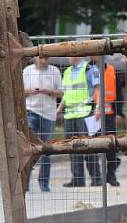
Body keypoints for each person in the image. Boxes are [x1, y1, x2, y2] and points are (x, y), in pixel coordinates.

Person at [57, 55, 101, 187]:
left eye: (70, 53)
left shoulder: (90, 69)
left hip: (86, 114)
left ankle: (96, 178)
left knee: (88, 147)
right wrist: (59, 108)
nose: (68, 57)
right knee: (72, 147)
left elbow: (98, 90)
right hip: (70, 115)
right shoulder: (67, 72)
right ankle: (78, 179)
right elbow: (66, 93)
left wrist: (98, 108)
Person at [23, 55, 63, 192]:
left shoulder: (55, 71)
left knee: (47, 149)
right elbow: (20, 91)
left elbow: (61, 92)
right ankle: (25, 182)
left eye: (46, 58)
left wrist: (50, 92)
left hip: (48, 113)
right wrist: (29, 91)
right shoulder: (27, 71)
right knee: (28, 147)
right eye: (41, 58)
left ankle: (44, 183)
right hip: (31, 110)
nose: (44, 61)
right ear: (35, 59)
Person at [93, 58, 120, 186]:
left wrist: (119, 112)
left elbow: (118, 92)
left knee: (111, 146)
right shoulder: (88, 69)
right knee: (92, 146)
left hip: (109, 114)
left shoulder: (111, 70)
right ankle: (96, 178)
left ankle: (111, 175)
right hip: (92, 115)